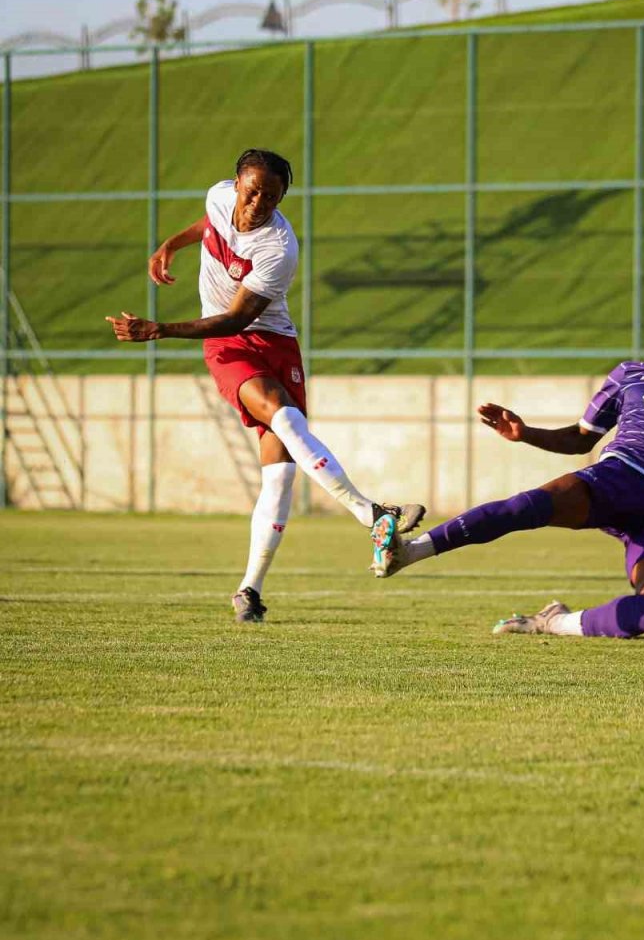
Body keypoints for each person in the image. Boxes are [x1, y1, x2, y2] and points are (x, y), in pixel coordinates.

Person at [105, 148, 423, 623]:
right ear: (236, 184)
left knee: (281, 475)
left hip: (270, 340)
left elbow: (237, 315)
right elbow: (209, 225)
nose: (258, 204)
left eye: (271, 197)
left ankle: (248, 591)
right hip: (227, 347)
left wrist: (160, 329)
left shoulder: (279, 247)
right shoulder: (218, 197)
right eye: (252, 192)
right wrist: (172, 244)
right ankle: (369, 513)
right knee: (283, 414)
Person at [370, 303, 644, 638]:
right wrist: (525, 434)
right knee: (527, 507)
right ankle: (408, 552)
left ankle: (553, 622)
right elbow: (580, 438)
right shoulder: (630, 375)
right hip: (620, 477)